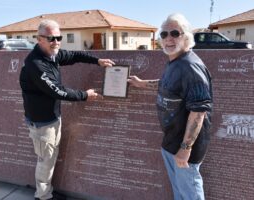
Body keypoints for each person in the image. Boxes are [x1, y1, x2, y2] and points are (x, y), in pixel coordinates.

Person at [19, 19, 115, 200]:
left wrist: (97, 61)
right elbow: (58, 90)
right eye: (51, 38)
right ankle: (43, 196)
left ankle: (46, 191)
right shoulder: (37, 65)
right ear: (39, 39)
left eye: (58, 37)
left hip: (52, 117)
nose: (56, 42)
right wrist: (85, 95)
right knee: (45, 160)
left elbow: (72, 55)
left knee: (50, 156)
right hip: (42, 123)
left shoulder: (51, 54)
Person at [128, 13, 213, 200]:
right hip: (172, 142)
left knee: (190, 193)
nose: (169, 38)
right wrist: (143, 83)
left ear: (186, 37)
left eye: (175, 33)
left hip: (184, 146)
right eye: (164, 34)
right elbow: (168, 84)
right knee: (180, 192)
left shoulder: (190, 67)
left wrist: (185, 148)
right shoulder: (175, 61)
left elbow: (198, 112)